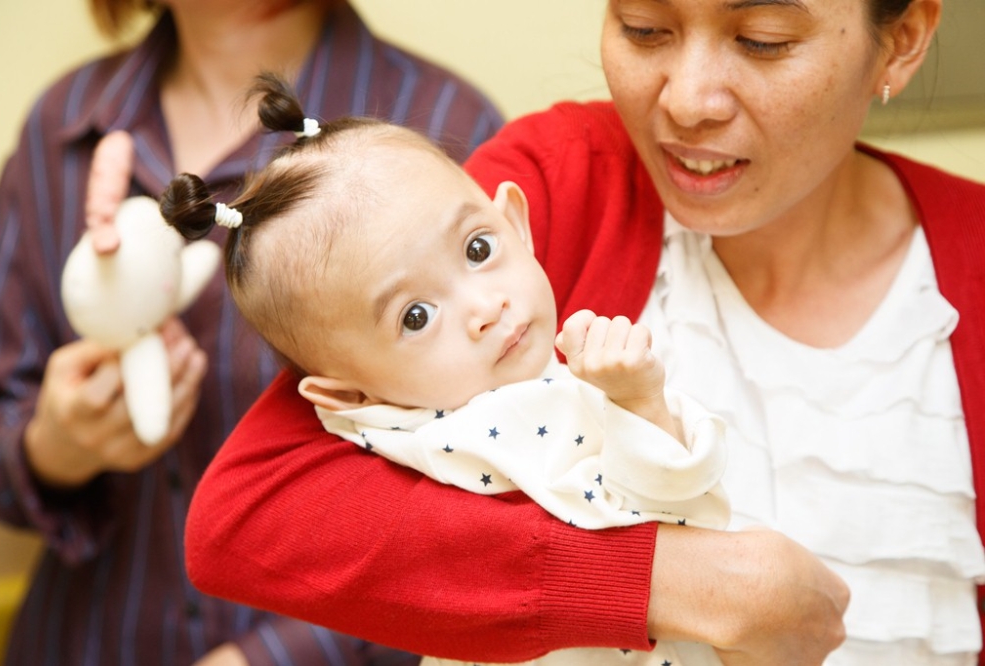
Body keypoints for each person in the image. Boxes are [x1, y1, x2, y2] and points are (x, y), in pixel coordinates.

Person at [180, 0, 985, 664]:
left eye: (761, 39)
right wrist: (664, 580)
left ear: (902, 41)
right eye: (643, 27)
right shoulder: (565, 181)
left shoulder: (969, 262)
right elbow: (249, 517)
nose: (687, 100)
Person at [0, 0, 503, 663]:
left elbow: (488, 497)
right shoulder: (59, 127)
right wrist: (53, 447)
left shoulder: (441, 127)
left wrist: (277, 655)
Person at [159, 80, 731, 663]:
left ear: (516, 223)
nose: (485, 311)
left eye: (478, 250)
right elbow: (678, 527)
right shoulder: (480, 435)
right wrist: (641, 403)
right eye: (416, 316)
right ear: (346, 396)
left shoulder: (536, 386)